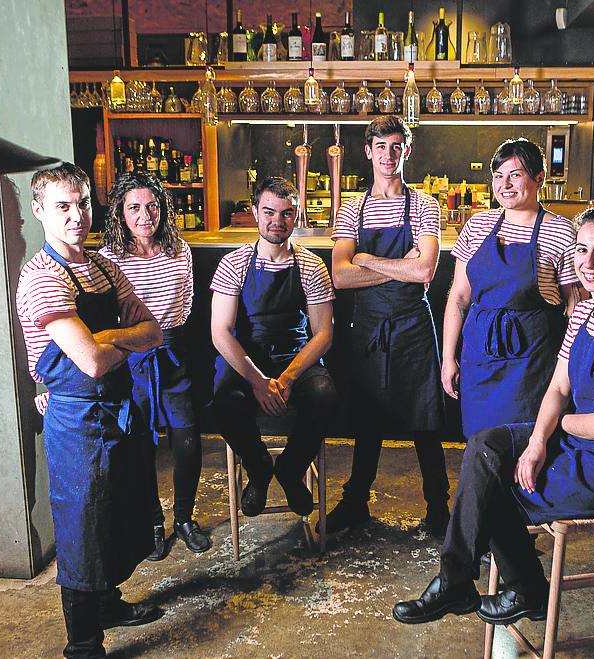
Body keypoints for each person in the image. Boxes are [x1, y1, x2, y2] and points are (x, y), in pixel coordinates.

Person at [393, 203, 594, 626]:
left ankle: (527, 588)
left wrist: (555, 428)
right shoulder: (583, 311)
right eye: (581, 250)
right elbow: (559, 387)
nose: (589, 263)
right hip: (580, 441)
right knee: (487, 447)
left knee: (492, 489)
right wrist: (537, 440)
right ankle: (457, 580)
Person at [15, 163, 164, 658]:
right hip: (76, 418)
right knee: (81, 526)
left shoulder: (103, 266)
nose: (77, 215)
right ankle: (83, 643)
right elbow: (93, 363)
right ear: (39, 211)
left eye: (82, 203)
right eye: (63, 206)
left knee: (116, 512)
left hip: (117, 410)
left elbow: (153, 331)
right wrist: (114, 345)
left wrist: (108, 337)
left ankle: (108, 604)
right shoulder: (42, 279)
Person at [325, 115, 450, 536]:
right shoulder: (352, 207)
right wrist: (401, 265)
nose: (388, 155)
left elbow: (426, 270)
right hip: (370, 325)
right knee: (367, 417)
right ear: (368, 152)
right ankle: (356, 501)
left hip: (414, 323)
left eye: (396, 146)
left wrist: (367, 260)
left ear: (406, 151)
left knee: (425, 419)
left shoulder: (425, 204)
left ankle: (438, 508)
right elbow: (340, 276)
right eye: (381, 147)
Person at [209, 176, 339, 517]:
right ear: (254, 212)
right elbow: (221, 333)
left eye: (286, 213)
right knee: (224, 404)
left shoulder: (312, 265)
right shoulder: (233, 264)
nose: (277, 222)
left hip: (295, 357)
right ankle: (259, 467)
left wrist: (287, 379)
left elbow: (323, 334)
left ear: (296, 216)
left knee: (325, 395)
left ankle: (291, 469)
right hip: (246, 358)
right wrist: (258, 381)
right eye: (269, 212)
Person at [99, 172, 210, 558]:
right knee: (140, 446)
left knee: (187, 439)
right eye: (134, 208)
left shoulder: (179, 248)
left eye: (151, 206)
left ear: (163, 208)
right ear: (121, 214)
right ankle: (151, 522)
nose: (145, 215)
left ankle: (184, 517)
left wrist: (167, 335)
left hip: (174, 352)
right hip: (133, 359)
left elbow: (188, 301)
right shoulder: (109, 258)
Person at [444, 138, 582, 439]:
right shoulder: (477, 225)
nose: (504, 184)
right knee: (480, 445)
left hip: (532, 364)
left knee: (525, 444)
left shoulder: (561, 231)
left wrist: (571, 371)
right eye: (498, 176)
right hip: (479, 359)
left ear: (539, 178)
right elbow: (459, 297)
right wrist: (447, 358)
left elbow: (575, 308)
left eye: (515, 175)